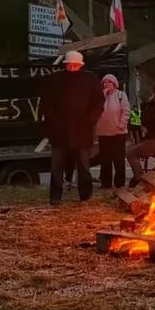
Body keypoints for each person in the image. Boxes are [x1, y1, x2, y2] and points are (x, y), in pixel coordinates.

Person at [39, 50, 104, 204]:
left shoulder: (91, 79)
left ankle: (85, 195)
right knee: (57, 166)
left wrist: (90, 119)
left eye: (75, 65)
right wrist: (53, 121)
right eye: (70, 65)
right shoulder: (55, 79)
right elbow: (46, 103)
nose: (72, 68)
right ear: (65, 64)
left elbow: (98, 102)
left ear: (80, 65)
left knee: (83, 166)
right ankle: (55, 197)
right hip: (60, 132)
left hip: (82, 131)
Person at [95, 74, 131, 190]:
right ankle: (106, 183)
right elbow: (96, 110)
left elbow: (126, 111)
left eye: (109, 82)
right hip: (103, 133)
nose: (106, 84)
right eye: (105, 82)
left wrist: (121, 124)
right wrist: (103, 96)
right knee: (105, 160)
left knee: (118, 159)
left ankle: (119, 183)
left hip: (118, 133)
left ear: (114, 84)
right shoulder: (100, 96)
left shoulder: (121, 95)